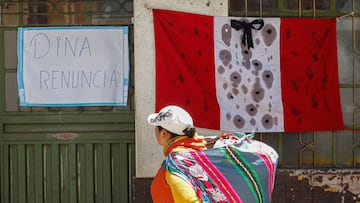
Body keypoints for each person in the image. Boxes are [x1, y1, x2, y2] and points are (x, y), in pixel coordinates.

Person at [147, 105, 206, 203]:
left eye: (156, 127)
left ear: (164, 133)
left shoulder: (176, 164)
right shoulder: (199, 155)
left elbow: (189, 200)